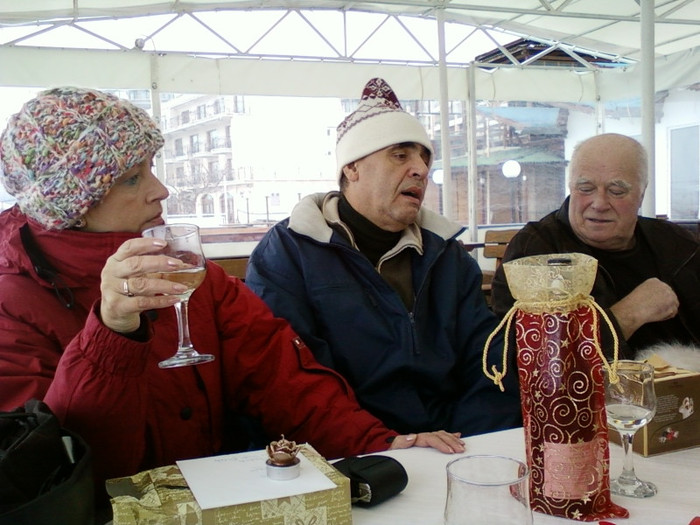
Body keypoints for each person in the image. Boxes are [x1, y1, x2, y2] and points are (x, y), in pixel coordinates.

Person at [0, 87, 466, 498]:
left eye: (152, 169)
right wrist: (112, 335)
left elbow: (282, 377)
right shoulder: (13, 307)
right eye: (132, 178)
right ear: (73, 207)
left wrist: (376, 442)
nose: (161, 190)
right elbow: (54, 463)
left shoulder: (197, 279)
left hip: (215, 503)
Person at [245, 78, 522, 437]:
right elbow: (291, 379)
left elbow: (489, 362)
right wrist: (387, 444)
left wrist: (466, 445)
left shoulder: (448, 257)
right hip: (352, 451)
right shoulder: (287, 254)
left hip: (452, 444)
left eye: (424, 157)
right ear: (352, 168)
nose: (421, 169)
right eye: (400, 154)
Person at [491, 133, 700, 358]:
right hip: (595, 393)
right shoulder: (535, 251)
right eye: (586, 188)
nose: (599, 204)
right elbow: (521, 358)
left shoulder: (679, 245)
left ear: (642, 193)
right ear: (570, 186)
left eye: (616, 191)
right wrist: (627, 315)